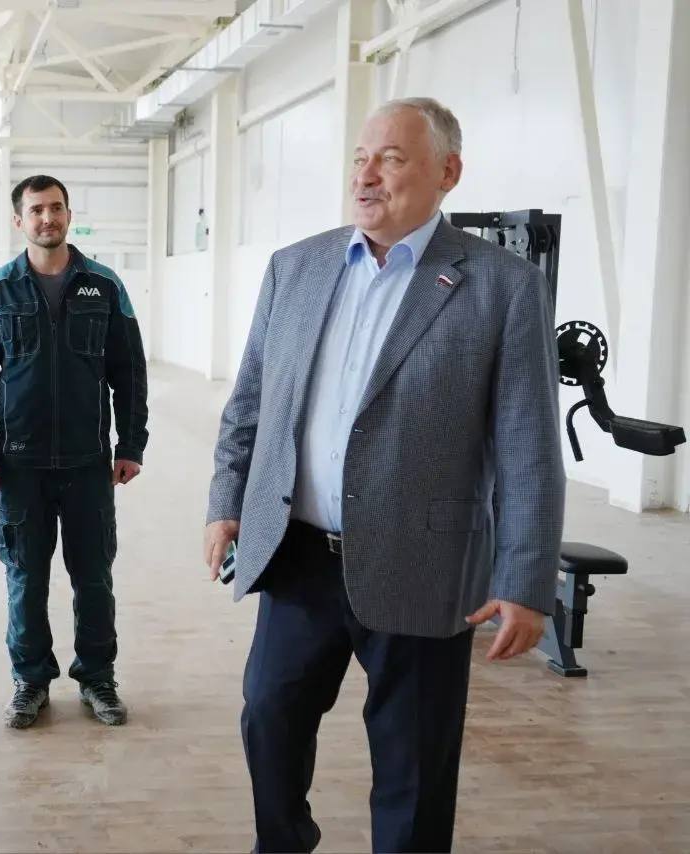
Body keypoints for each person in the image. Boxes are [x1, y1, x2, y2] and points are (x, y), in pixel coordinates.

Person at [203, 97, 565, 853]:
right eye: (360, 158)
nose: (366, 175)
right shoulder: (296, 268)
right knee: (269, 720)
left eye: (392, 159)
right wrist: (225, 503)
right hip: (299, 556)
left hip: (424, 564)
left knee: (414, 764)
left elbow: (529, 445)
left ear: (448, 172)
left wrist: (526, 580)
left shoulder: (501, 286)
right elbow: (251, 403)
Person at [0, 174, 149, 729]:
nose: (48, 218)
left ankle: (98, 678)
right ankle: (30, 681)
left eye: (57, 208)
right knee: (25, 579)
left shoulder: (104, 286)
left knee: (94, 578)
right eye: (37, 209)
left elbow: (129, 373)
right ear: (19, 220)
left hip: (89, 463)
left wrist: (130, 443)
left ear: (69, 215)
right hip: (20, 465)